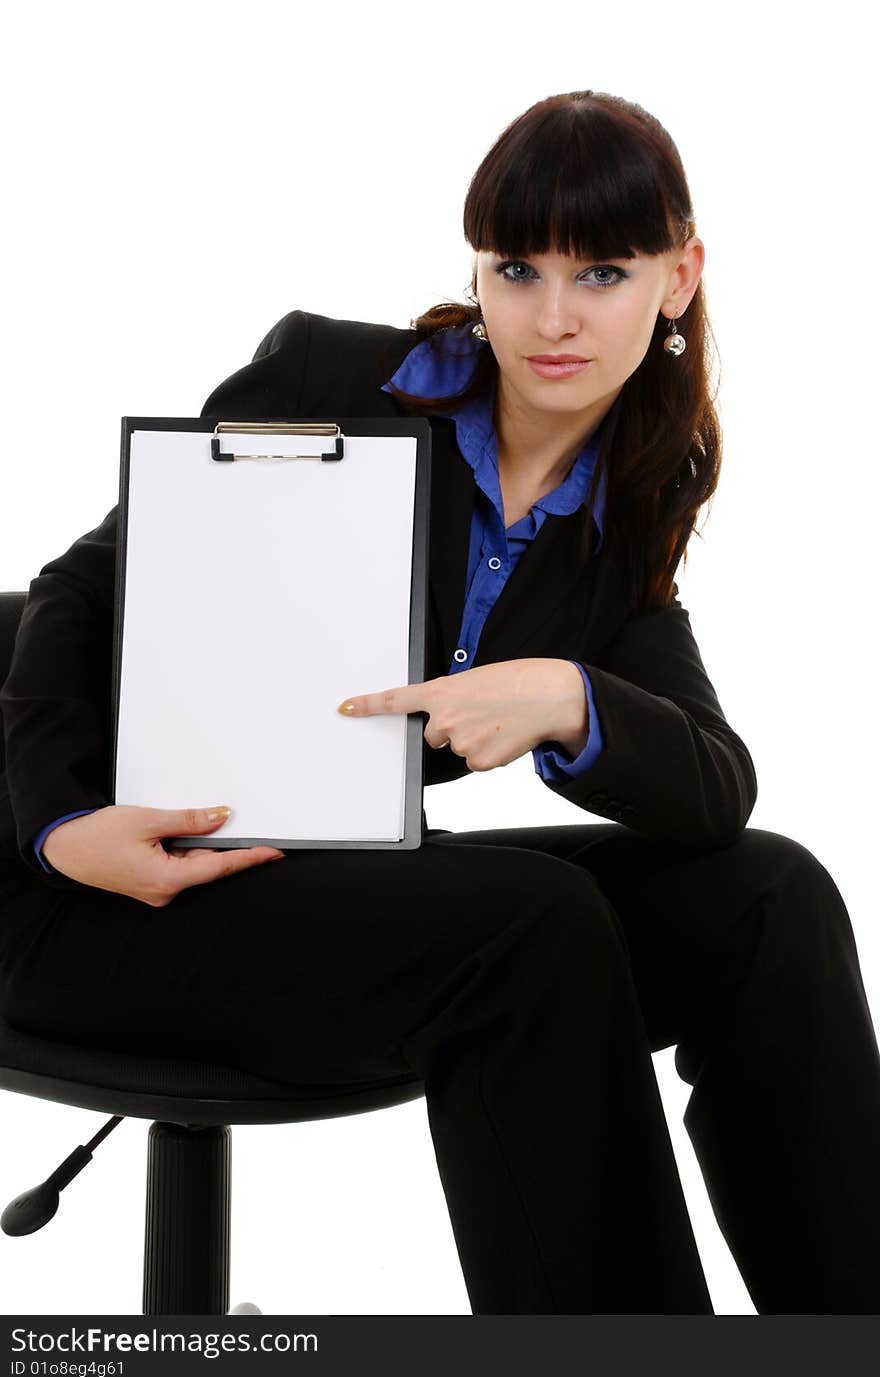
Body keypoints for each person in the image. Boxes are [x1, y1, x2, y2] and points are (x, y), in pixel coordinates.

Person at [1, 88, 879, 1315]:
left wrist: (570, 696)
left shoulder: (615, 513)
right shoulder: (335, 379)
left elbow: (713, 788)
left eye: (604, 272)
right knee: (528, 923)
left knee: (769, 898)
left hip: (308, 874)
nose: (554, 316)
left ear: (678, 279)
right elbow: (75, 593)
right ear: (479, 266)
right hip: (76, 880)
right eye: (518, 267)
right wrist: (57, 825)